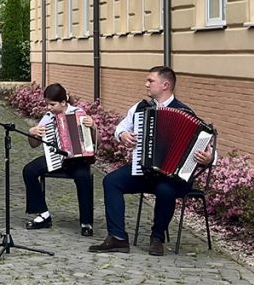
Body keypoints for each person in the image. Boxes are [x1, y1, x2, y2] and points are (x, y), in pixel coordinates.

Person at [89, 66, 215, 257]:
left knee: (165, 190)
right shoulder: (141, 108)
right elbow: (120, 128)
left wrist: (209, 157)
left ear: (165, 85)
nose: (146, 84)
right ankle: (117, 237)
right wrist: (123, 135)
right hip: (145, 171)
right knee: (111, 181)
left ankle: (157, 238)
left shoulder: (186, 113)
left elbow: (208, 147)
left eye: (151, 81)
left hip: (173, 177)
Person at [22, 83, 95, 236]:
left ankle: (86, 222)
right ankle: (43, 214)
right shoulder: (48, 117)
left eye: (52, 104)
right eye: (47, 104)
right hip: (55, 157)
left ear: (63, 102)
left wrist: (93, 127)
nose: (49, 108)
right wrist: (32, 133)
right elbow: (34, 145)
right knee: (29, 170)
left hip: (77, 160)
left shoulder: (79, 113)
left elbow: (96, 142)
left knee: (83, 177)